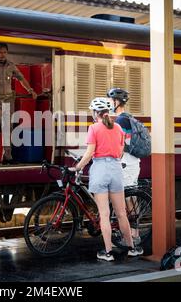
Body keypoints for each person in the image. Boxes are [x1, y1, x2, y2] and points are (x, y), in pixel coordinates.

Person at [71, 98, 143, 261]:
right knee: (121, 214)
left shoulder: (94, 128)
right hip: (116, 170)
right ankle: (132, 248)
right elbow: (120, 152)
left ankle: (108, 252)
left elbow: (89, 153)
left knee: (104, 215)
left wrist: (77, 167)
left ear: (96, 113)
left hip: (100, 170)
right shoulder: (118, 128)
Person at [0, 42, 37, 165]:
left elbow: (21, 78)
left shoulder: (11, 65)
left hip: (8, 100)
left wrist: (30, 90)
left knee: (8, 128)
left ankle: (8, 156)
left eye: (5, 52)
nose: (3, 55)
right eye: (0, 52)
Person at [107, 88, 141, 245]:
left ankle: (134, 235)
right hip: (130, 162)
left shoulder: (121, 120)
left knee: (129, 201)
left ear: (117, 102)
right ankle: (133, 233)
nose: (110, 103)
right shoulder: (127, 118)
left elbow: (120, 145)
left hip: (128, 164)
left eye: (111, 101)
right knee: (130, 199)